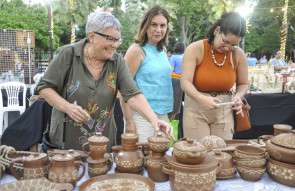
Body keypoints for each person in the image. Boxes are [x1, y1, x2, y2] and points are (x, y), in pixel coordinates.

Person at [35, 12, 174, 151]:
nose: (115, 45)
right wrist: (68, 108)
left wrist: (154, 120)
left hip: (104, 143)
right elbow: (44, 87)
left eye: (118, 39)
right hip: (66, 143)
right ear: (92, 36)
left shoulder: (117, 61)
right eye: (110, 39)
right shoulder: (68, 54)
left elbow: (133, 95)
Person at [180, 12, 248, 140]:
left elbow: (243, 84)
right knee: (198, 153)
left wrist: (238, 96)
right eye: (225, 42)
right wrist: (201, 99)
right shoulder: (196, 49)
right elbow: (185, 82)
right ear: (217, 30)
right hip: (196, 108)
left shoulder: (238, 54)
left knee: (222, 154)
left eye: (233, 45)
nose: (228, 48)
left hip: (224, 109)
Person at [119, 5, 174, 143]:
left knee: (160, 158)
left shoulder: (162, 50)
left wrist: (169, 110)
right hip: (140, 116)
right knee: (141, 159)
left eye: (163, 25)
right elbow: (123, 89)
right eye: (153, 24)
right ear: (145, 26)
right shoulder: (136, 50)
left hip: (163, 115)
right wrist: (129, 121)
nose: (158, 30)